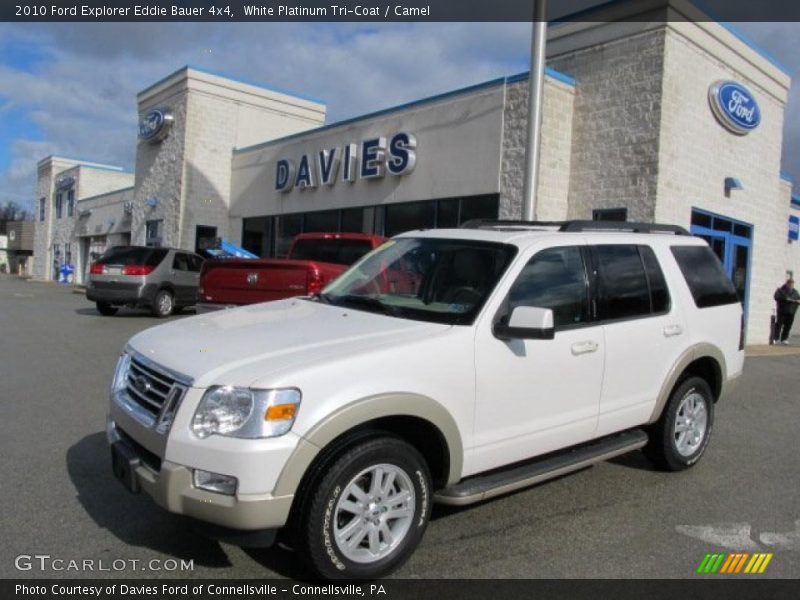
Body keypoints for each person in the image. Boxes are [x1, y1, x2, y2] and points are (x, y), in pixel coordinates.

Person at [774, 278, 800, 344]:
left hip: (791, 311)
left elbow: (798, 299)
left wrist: (797, 301)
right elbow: (776, 297)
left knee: (788, 326)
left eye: (792, 284)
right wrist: (785, 299)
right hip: (782, 311)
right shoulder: (781, 290)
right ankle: (775, 338)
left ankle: (784, 339)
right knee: (779, 325)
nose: (791, 285)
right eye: (790, 283)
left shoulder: (795, 292)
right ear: (787, 283)